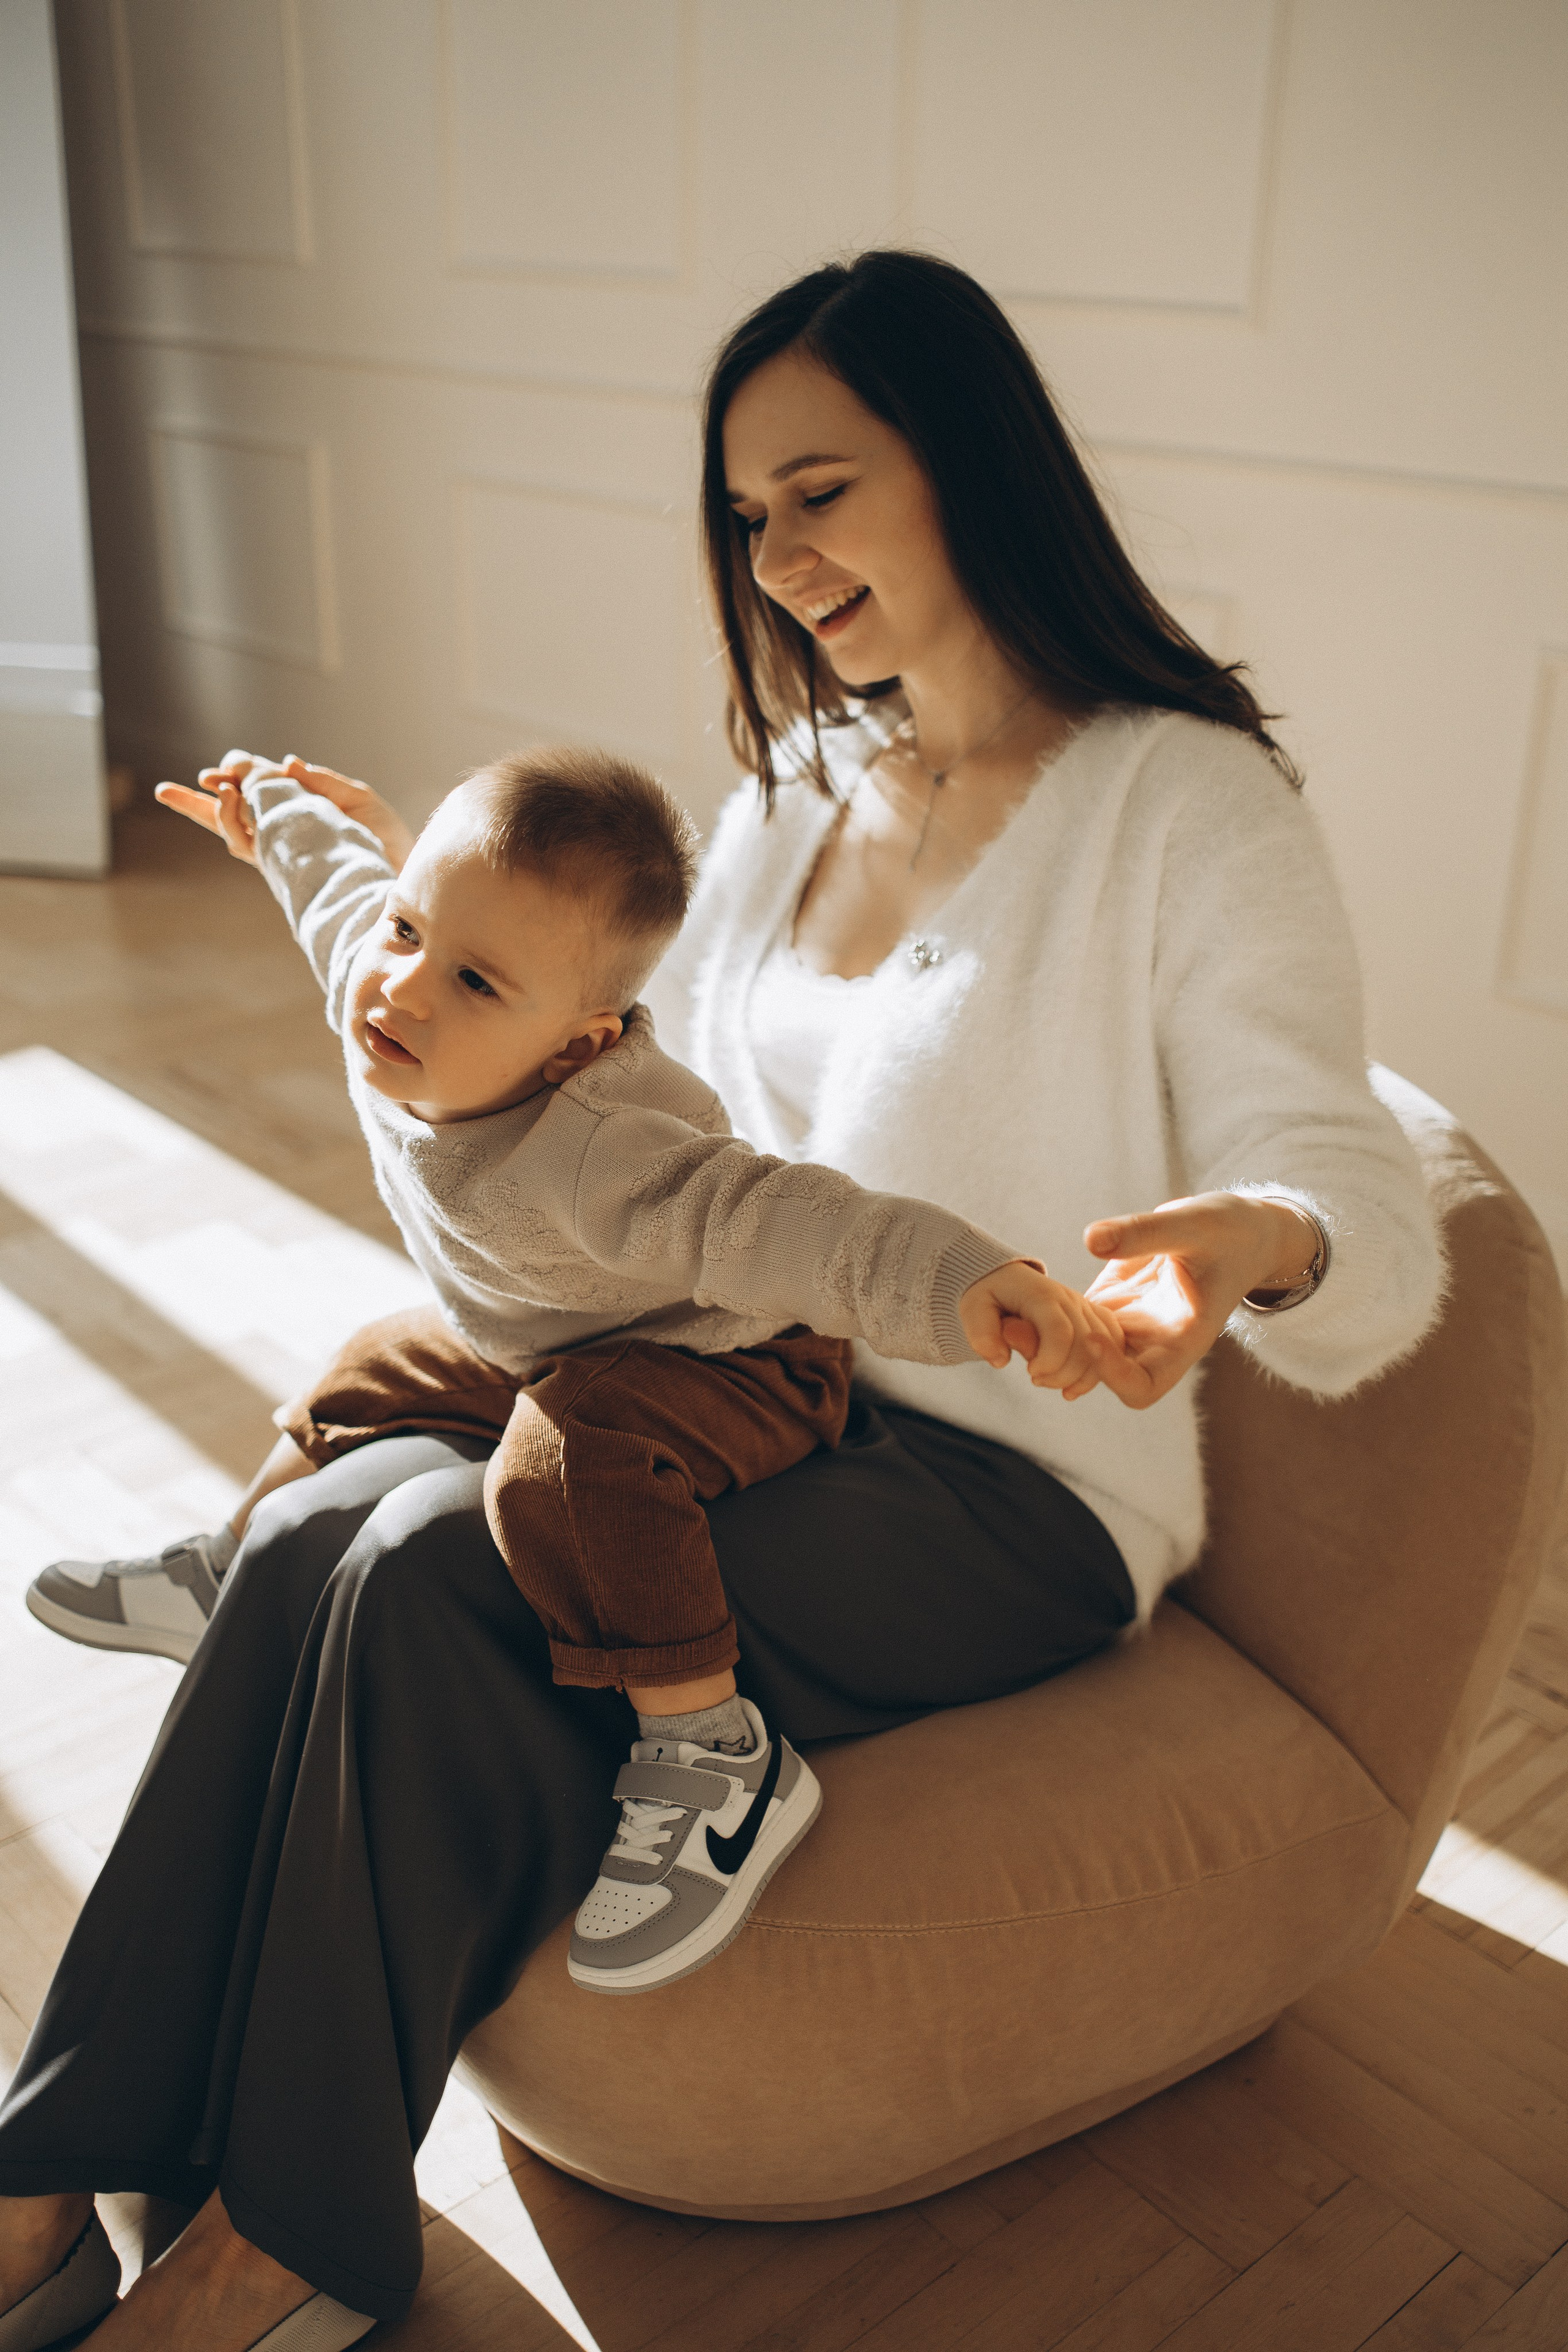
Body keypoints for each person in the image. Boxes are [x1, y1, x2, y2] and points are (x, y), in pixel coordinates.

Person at [0, 249, 1443, 2352]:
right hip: (747, 1390)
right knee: (316, 1523)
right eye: (747, 513)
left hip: (1009, 1495)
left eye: (820, 490)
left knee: (426, 1568)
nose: (776, 555)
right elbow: (635, 1109)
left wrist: (1249, 1241)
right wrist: (427, 914)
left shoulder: (1186, 805)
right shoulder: (791, 796)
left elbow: (1363, 1196)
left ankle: (291, 2241)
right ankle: (51, 2168)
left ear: (967, 464)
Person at [36, 735, 1125, 2005]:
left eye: (477, 984)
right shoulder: (380, 972)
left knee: (564, 1463)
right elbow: (338, 887)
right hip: (548, 1326)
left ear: (575, 1043)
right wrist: (273, 811)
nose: (404, 994)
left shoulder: (604, 1150)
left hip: (734, 1363)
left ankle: (714, 1755)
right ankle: (231, 1570)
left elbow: (793, 1223)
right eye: (406, 935)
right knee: (371, 1360)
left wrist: (964, 1280)